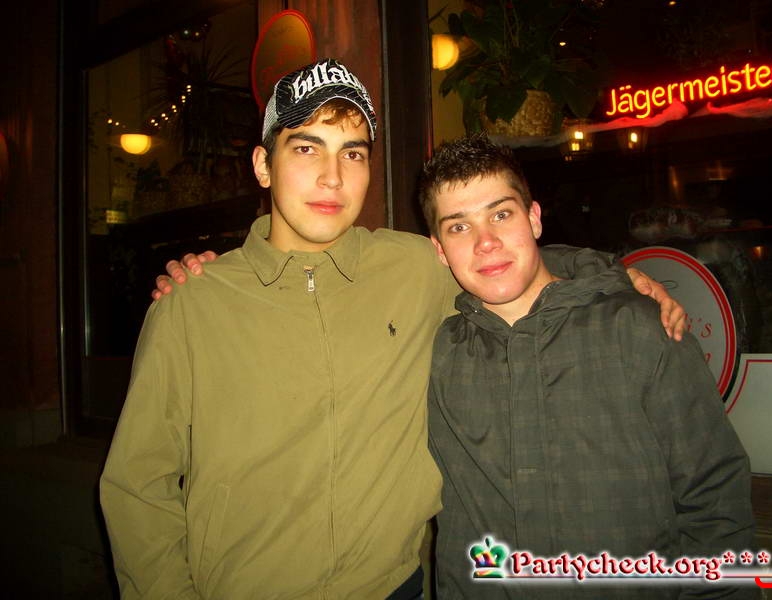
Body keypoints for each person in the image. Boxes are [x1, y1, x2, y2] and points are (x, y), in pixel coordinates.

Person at [104, 58, 684, 599]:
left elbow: (501, 260)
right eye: (307, 148)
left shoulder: (412, 267)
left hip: (394, 587)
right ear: (262, 164)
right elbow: (139, 487)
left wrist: (610, 276)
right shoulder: (193, 304)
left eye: (353, 154)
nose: (332, 177)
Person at [417, 133, 756, 599]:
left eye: (501, 214)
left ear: (534, 218)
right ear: (439, 250)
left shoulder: (639, 330)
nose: (486, 242)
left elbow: (714, 498)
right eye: (459, 227)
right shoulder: (437, 353)